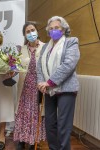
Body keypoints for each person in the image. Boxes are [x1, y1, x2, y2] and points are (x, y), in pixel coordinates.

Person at [37, 16, 80, 150]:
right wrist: (40, 83)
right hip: (49, 91)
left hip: (66, 89)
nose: (53, 30)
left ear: (64, 29)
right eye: (51, 29)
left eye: (57, 28)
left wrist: (49, 82)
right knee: (49, 124)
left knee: (63, 126)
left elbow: (69, 64)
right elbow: (39, 67)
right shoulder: (45, 48)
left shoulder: (71, 42)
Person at [13, 22, 46, 150]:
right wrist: (10, 72)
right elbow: (16, 68)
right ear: (25, 35)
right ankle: (21, 141)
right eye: (28, 31)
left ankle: (33, 142)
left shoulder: (45, 47)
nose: (31, 33)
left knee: (35, 115)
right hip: (24, 88)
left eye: (32, 30)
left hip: (38, 88)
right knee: (23, 114)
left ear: (37, 31)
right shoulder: (21, 49)